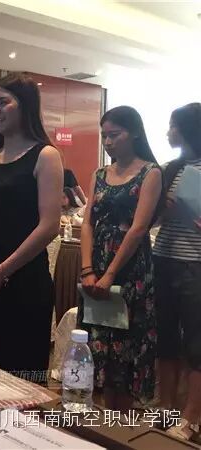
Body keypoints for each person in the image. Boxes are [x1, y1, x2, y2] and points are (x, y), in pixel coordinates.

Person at [0, 73, 63, 380]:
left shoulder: (46, 155)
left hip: (25, 278)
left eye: (3, 102)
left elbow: (49, 226)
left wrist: (2, 272)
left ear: (26, 105)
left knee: (23, 377)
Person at [80, 105, 162, 411]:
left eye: (115, 134)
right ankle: (102, 416)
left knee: (126, 347)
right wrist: (88, 269)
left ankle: (122, 421)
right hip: (96, 265)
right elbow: (87, 223)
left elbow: (139, 228)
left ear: (135, 133)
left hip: (130, 269)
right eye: (104, 136)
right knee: (97, 341)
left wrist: (111, 274)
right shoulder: (100, 174)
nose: (108, 142)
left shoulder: (150, 172)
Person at [153, 103, 201, 440]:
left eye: (172, 125)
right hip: (163, 258)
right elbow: (151, 219)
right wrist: (161, 210)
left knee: (197, 343)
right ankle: (165, 409)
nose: (168, 131)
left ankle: (191, 419)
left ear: (186, 129)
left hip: (196, 264)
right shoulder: (169, 169)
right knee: (165, 339)